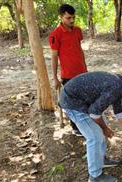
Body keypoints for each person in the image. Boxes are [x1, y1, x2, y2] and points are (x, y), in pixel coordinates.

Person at [59, 71, 122, 182]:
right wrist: (105, 129)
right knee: (95, 137)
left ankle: (101, 160)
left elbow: (118, 112)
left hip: (84, 101)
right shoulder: (116, 87)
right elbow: (94, 112)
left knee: (101, 127)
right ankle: (95, 176)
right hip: (72, 102)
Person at [49, 4, 87, 136]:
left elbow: (79, 49)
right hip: (68, 75)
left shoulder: (77, 30)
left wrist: (85, 67)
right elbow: (54, 56)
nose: (71, 20)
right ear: (61, 17)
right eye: (68, 18)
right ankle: (76, 127)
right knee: (73, 102)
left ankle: (85, 124)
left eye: (73, 17)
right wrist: (54, 78)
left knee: (84, 99)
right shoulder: (55, 34)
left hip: (82, 71)